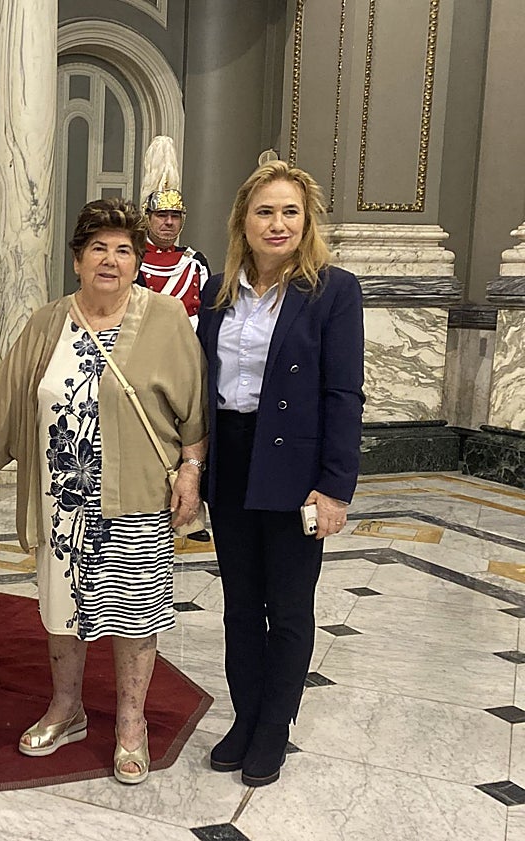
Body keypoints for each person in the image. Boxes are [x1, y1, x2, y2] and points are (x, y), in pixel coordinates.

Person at [0, 198, 207, 785]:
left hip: (136, 495)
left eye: (124, 250)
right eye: (99, 248)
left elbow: (194, 416)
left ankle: (130, 724)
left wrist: (192, 471)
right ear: (76, 259)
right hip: (61, 504)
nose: (111, 261)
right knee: (63, 613)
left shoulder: (166, 318)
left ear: (136, 261)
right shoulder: (48, 324)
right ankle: (66, 709)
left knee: (134, 620)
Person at [196, 160, 364, 788]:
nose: (277, 223)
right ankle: (245, 719)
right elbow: (204, 388)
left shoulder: (333, 291)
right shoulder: (218, 292)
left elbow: (345, 395)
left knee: (289, 606)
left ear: (307, 220)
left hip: (295, 464)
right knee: (240, 603)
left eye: (290, 211)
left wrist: (334, 487)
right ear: (244, 219)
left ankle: (275, 728)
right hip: (233, 457)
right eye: (265, 211)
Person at [137, 136, 211, 325]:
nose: (169, 222)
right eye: (162, 215)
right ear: (148, 217)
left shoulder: (195, 262)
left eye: (175, 216)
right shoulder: (134, 261)